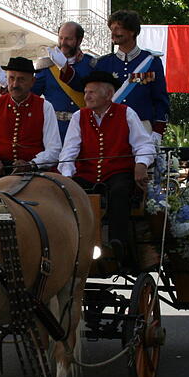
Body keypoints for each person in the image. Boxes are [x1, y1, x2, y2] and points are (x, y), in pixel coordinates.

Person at [58, 70, 155, 268]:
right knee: (71, 194)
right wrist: (67, 177)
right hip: (88, 174)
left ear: (108, 95)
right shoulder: (79, 116)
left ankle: (118, 243)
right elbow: (68, 152)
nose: (87, 96)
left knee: (119, 192)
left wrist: (141, 164)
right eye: (86, 92)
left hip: (117, 173)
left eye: (92, 92)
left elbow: (144, 145)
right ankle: (72, 242)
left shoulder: (126, 113)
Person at [0, 57, 61, 177]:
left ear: (32, 81)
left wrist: (32, 164)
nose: (15, 84)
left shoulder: (45, 107)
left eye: (21, 79)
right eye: (11, 78)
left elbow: (54, 149)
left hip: (33, 173)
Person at [94, 10, 169, 134]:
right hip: (111, 127)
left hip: (142, 126)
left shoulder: (151, 62)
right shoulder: (103, 64)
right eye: (112, 29)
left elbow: (160, 100)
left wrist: (158, 131)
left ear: (132, 31)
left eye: (118, 28)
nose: (113, 33)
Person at [32, 21, 96, 139]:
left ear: (79, 40)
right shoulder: (47, 66)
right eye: (61, 38)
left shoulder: (91, 65)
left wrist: (65, 68)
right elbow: (31, 95)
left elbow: (83, 87)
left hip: (83, 129)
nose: (63, 43)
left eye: (68, 39)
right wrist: (9, 83)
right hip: (55, 130)